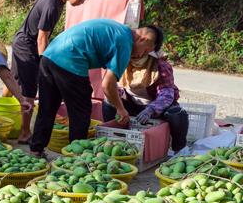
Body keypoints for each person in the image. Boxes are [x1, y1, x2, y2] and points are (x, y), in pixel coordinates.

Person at [29, 19, 161, 156]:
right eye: (145, 51)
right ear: (144, 39)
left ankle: (36, 149)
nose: (141, 55)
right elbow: (107, 85)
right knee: (81, 111)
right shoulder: (125, 44)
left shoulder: (119, 30)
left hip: (50, 55)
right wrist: (121, 109)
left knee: (47, 107)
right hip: (71, 60)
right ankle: (76, 158)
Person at [11, 0, 98, 143]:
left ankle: (7, 119)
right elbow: (42, 38)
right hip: (27, 45)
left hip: (22, 40)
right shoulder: (52, 5)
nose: (82, 2)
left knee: (15, 81)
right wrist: (46, 69)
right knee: (29, 91)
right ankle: (24, 133)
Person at [104, 28, 189, 152]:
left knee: (177, 113)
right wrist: (117, 104)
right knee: (108, 101)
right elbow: (118, 87)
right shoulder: (124, 61)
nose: (139, 55)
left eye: (145, 52)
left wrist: (151, 109)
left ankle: (179, 148)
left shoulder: (160, 66)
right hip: (133, 106)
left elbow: (166, 94)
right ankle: (114, 141)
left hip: (155, 108)